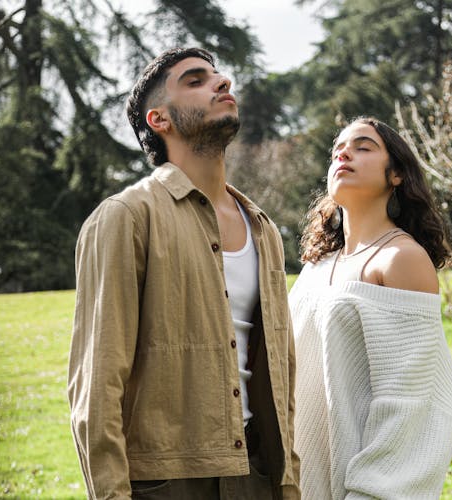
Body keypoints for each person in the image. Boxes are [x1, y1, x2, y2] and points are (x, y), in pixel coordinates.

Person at [67, 47, 300, 499]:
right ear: (160, 119)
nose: (222, 83)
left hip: (257, 473)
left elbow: (281, 373)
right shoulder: (126, 217)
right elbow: (97, 386)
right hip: (168, 483)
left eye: (219, 76)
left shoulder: (264, 227)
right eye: (195, 80)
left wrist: (287, 482)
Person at [289, 116, 452, 499]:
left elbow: (411, 402)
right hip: (297, 481)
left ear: (397, 175)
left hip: (358, 486)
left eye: (363, 146)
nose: (344, 153)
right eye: (337, 149)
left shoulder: (401, 259)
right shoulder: (316, 266)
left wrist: (371, 492)